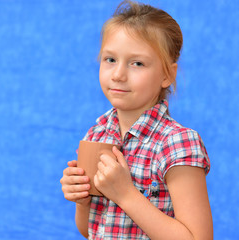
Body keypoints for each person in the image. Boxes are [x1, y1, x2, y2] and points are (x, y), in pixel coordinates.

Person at [60, 1, 213, 239]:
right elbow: (90, 230)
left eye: (137, 63)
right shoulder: (97, 134)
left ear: (167, 75)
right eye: (110, 59)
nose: (118, 75)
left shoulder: (178, 143)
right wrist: (82, 200)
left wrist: (125, 194)